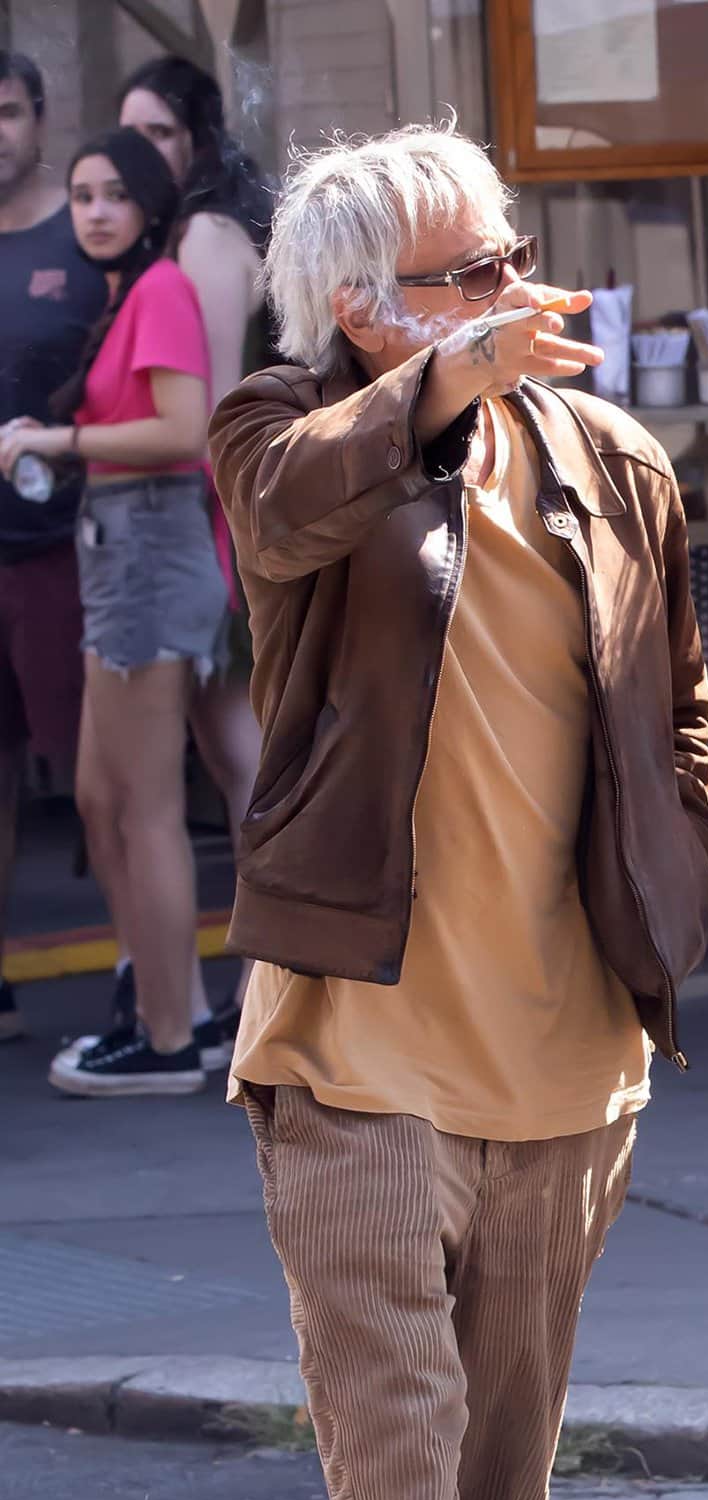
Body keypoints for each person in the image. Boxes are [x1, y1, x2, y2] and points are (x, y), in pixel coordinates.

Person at [208, 125, 708, 1500]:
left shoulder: (615, 462)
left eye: (513, 259)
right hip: (351, 1035)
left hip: (569, 1049)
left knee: (505, 1456)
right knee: (399, 1445)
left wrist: (670, 886)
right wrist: (429, 387)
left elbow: (675, 705)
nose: (516, 293)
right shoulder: (287, 432)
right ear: (358, 309)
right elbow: (286, 518)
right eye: (461, 274)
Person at [0, 128, 229, 1097]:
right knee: (101, 798)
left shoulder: (164, 288)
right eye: (83, 195)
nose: (94, 212)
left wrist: (55, 436)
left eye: (115, 196)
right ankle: (169, 1009)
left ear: (150, 207)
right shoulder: (126, 293)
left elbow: (187, 427)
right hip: (117, 548)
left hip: (146, 547)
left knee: (145, 810)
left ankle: (172, 1037)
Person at [117, 55, 275, 1053]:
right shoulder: (184, 227)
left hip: (227, 514)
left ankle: (286, 965)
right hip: (221, 515)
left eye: (162, 135)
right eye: (132, 136)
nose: (147, 154)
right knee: (233, 753)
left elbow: (213, 406)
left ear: (199, 140)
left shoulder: (211, 231)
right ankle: (278, 967)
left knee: (246, 755)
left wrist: (223, 553)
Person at [0, 49, 105, 1042]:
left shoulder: (83, 243)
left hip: (65, 549)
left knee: (97, 773)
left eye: (6, 112)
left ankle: (143, 977)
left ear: (38, 117)